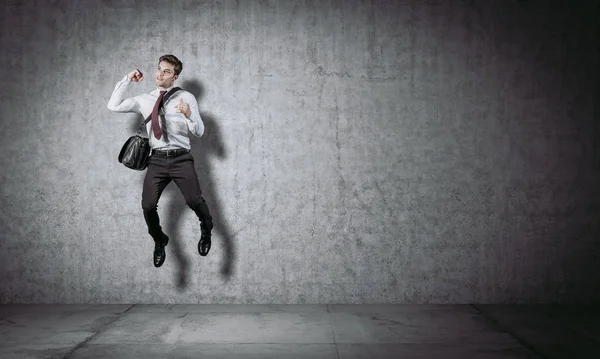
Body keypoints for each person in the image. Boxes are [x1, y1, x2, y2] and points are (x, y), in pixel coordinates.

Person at [107, 54, 213, 268]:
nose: (160, 74)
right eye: (159, 69)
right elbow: (113, 105)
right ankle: (159, 240)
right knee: (147, 206)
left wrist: (190, 114)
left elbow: (200, 131)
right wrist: (127, 78)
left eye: (166, 71)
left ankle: (206, 228)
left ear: (175, 76)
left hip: (181, 158)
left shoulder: (186, 98)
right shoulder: (145, 99)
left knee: (194, 201)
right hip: (156, 160)